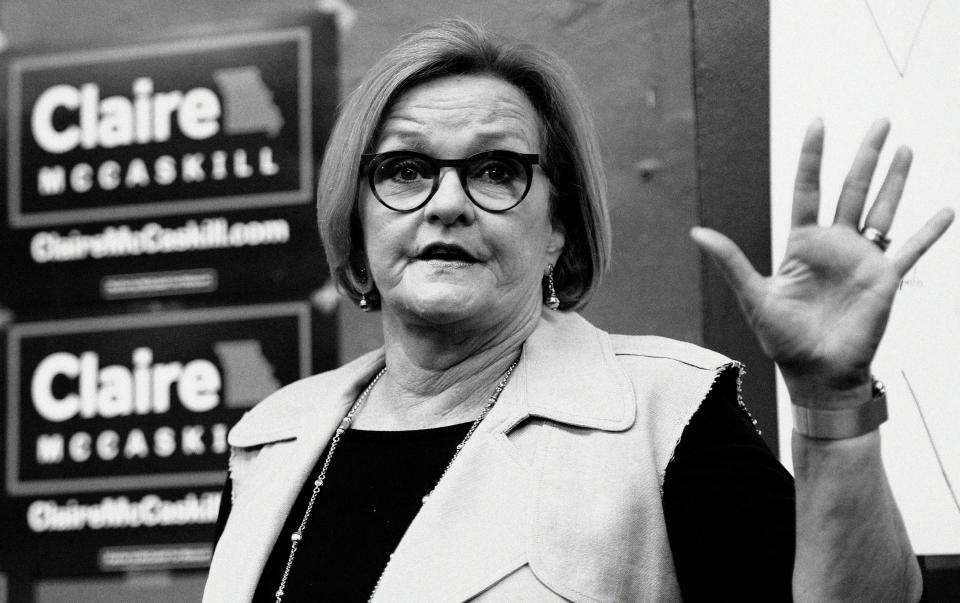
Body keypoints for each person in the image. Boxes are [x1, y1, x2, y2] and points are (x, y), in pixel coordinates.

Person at [204, 19, 954, 602]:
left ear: (559, 227)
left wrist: (833, 400)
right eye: (405, 169)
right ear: (356, 217)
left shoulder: (668, 413)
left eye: (497, 170)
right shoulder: (271, 441)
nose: (448, 204)